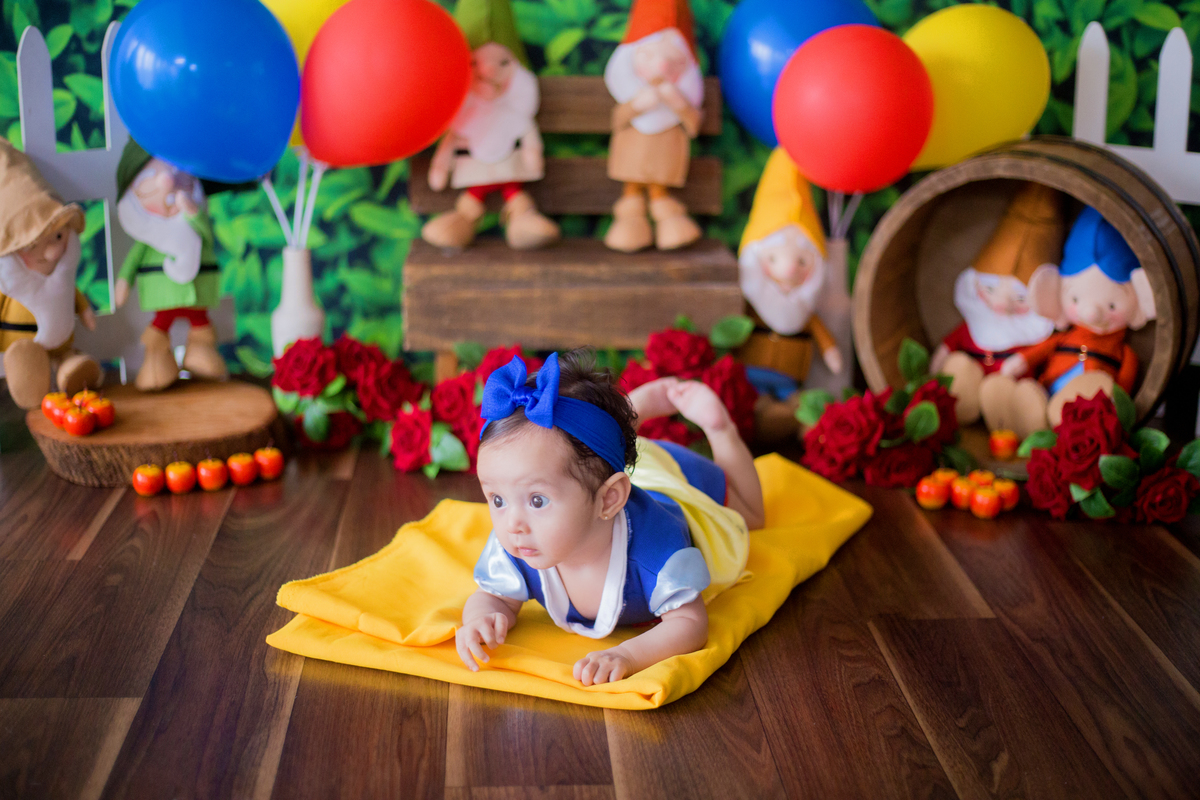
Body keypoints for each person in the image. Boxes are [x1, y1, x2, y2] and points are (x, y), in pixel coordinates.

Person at [458, 349, 763, 685]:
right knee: (592, 458)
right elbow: (494, 598)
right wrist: (481, 617)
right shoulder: (521, 539)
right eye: (497, 499)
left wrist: (628, 655)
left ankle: (722, 431)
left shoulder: (654, 550)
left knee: (748, 518)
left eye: (537, 500)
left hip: (668, 478)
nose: (512, 523)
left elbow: (689, 623)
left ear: (610, 500)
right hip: (601, 478)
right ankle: (632, 415)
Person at [422, 0, 559, 250]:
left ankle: (522, 220)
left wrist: (532, 154)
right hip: (474, 171)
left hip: (511, 168)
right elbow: (449, 143)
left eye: (503, 63)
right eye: (475, 64)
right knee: (472, 198)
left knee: (516, 195)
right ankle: (461, 220)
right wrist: (441, 166)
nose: (488, 71)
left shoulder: (516, 109)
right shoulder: (465, 112)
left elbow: (529, 137)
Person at [929, 182, 1062, 426]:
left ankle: (1015, 423)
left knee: (1003, 388)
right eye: (990, 290)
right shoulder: (973, 326)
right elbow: (946, 348)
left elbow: (1045, 356)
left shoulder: (1033, 334)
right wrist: (935, 369)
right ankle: (959, 409)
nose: (1001, 304)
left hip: (1009, 383)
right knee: (957, 366)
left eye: (1021, 298)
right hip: (971, 372)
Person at [115, 139, 228, 392]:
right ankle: (157, 360)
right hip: (163, 294)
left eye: (182, 177)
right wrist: (124, 281)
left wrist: (192, 212)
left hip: (197, 294)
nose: (168, 182)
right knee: (160, 325)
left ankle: (200, 353)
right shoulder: (149, 237)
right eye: (149, 179)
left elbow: (206, 235)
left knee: (200, 321)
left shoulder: (197, 224)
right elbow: (134, 257)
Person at [0, 140, 102, 409]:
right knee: (25, 357)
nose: (54, 253)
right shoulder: (10, 283)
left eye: (58, 236)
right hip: (25, 344)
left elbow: (71, 293)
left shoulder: (63, 271)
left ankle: (71, 367)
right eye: (34, 246)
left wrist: (85, 309)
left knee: (71, 360)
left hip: (63, 343)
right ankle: (29, 377)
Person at [603, 0, 705, 252]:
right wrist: (637, 105)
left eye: (673, 61)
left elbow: (693, 125)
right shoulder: (632, 94)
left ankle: (667, 215)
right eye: (649, 56)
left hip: (665, 160)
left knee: (660, 191)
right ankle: (630, 219)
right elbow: (617, 120)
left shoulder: (679, 95)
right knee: (632, 193)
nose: (661, 67)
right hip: (631, 161)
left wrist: (680, 104)